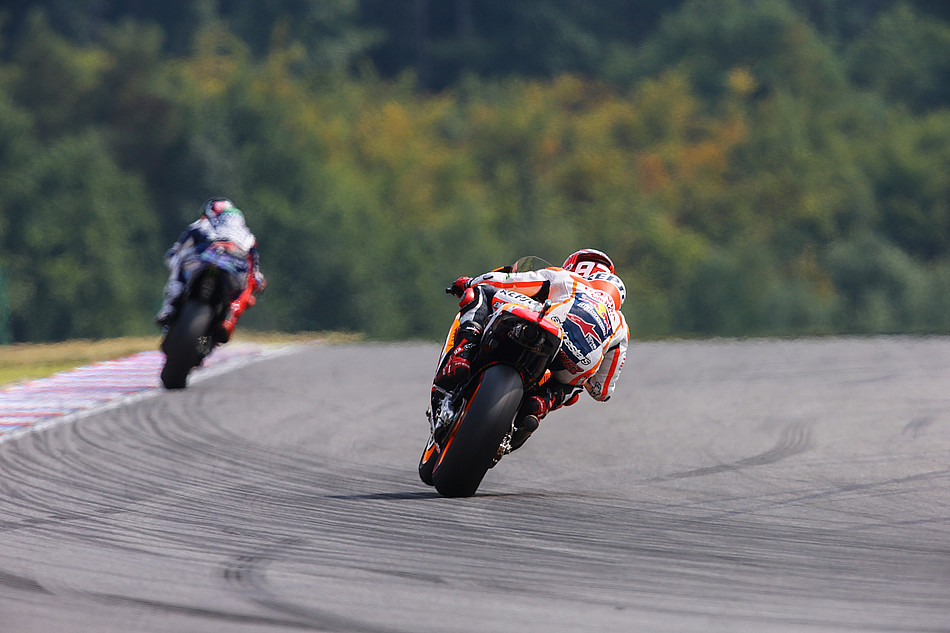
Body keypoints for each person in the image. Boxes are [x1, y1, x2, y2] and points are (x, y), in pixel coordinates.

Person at [433, 248, 628, 449]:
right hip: (574, 364)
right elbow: (601, 392)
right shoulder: (620, 323)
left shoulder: (567, 277)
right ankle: (541, 403)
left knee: (482, 292)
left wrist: (470, 283)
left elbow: (506, 282)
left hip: (549, 324)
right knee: (573, 385)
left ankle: (462, 354)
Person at [155, 197, 265, 341]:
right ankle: (229, 317)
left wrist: (174, 256)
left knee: (179, 264)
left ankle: (169, 308)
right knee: (248, 284)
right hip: (233, 266)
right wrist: (256, 278)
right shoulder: (247, 235)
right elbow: (253, 264)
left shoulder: (201, 224)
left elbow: (178, 250)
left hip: (205, 260)